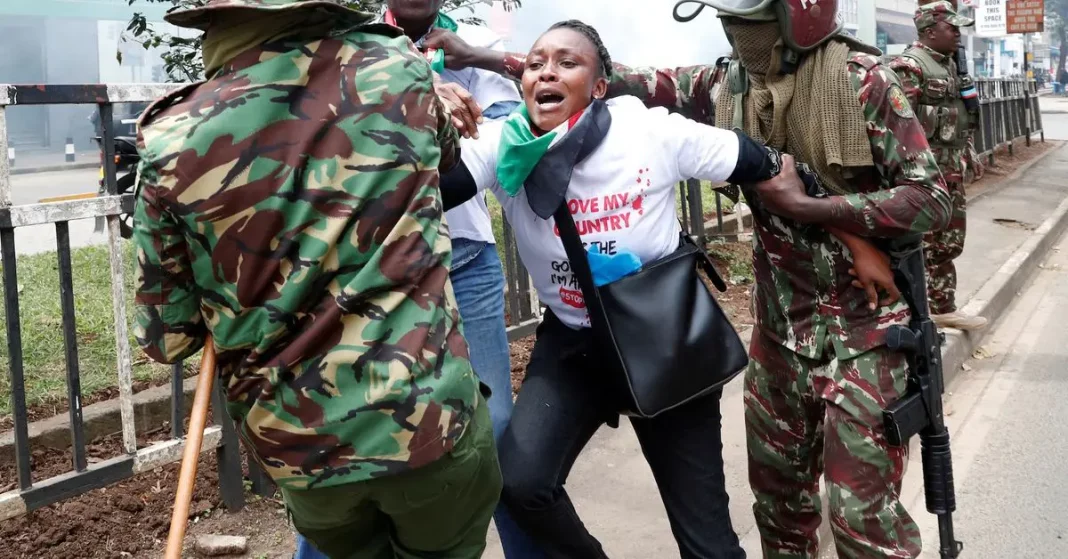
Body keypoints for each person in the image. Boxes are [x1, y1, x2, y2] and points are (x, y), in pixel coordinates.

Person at [425, 1, 953, 557]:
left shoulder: (854, 83)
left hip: (716, 334)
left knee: (793, 531)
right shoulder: (515, 139)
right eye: (536, 64)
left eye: (752, 22)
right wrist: (431, 95)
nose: (546, 72)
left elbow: (787, 171)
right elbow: (448, 180)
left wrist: (851, 233)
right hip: (637, 337)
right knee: (774, 509)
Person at [130, 1, 502, 557]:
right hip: (429, 426)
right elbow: (447, 156)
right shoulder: (400, 70)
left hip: (301, 453)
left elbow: (169, 338)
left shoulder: (169, 140)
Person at [290, 1, 537, 557]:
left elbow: (507, 135)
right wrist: (416, 94)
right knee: (350, 432)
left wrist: (479, 60)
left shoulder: (473, 45)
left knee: (495, 426)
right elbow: (322, 132)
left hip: (464, 258)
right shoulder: (349, 40)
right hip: (368, 269)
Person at [891, 0, 988, 331]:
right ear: (930, 31)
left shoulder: (950, 66)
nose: (958, 34)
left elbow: (960, 118)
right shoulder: (910, 67)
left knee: (948, 242)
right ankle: (921, 309)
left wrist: (969, 152)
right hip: (925, 176)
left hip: (951, 170)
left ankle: (942, 306)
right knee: (924, 242)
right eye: (952, 28)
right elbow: (899, 127)